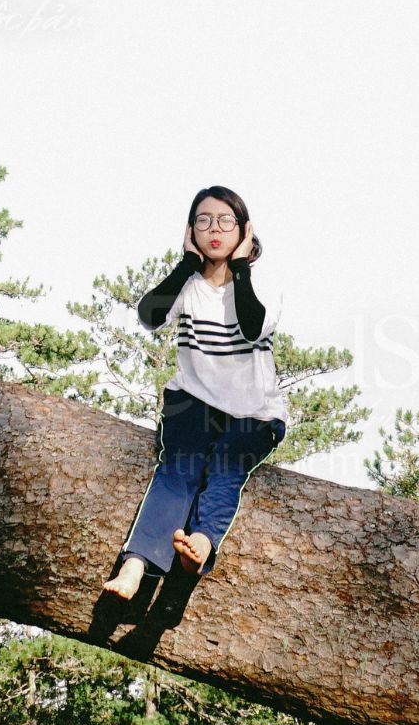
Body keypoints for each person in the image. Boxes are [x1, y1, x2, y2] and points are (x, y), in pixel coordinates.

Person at [104, 185, 289, 601]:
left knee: (225, 469)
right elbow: (149, 317)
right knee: (178, 471)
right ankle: (135, 565)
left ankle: (201, 544)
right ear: (191, 231)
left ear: (244, 230)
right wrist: (186, 264)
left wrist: (240, 268)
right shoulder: (187, 285)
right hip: (193, 402)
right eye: (203, 220)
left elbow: (252, 325)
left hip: (253, 413)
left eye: (226, 220)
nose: (214, 229)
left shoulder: (264, 282)